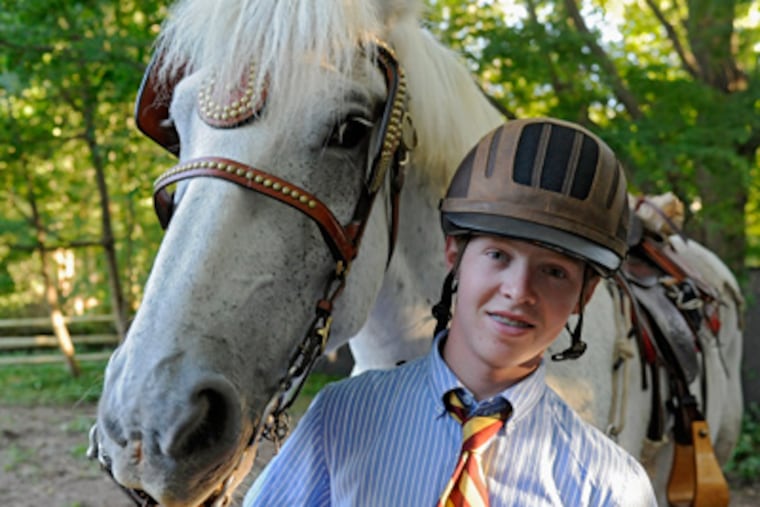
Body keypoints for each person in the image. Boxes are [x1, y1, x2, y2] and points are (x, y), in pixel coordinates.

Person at [244, 118, 657, 506]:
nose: (519, 291)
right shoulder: (342, 418)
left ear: (585, 295)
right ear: (454, 254)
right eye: (498, 255)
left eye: (554, 271)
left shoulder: (611, 486)